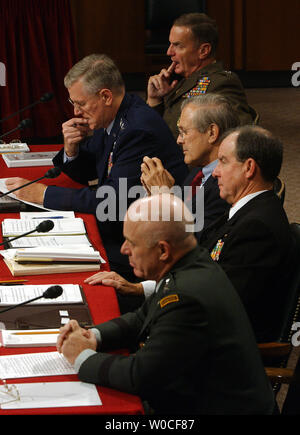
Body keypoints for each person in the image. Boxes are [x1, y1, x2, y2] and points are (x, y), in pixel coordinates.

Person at [57, 194, 276, 415]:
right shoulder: (192, 262)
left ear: (163, 250)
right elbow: (142, 317)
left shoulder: (186, 297)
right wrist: (93, 336)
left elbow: (141, 376)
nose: (124, 250)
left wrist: (82, 358)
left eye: (132, 243)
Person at [87, 125, 295, 344]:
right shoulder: (242, 210)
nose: (215, 172)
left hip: (212, 347)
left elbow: (219, 303)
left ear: (249, 168)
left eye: (223, 161)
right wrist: (139, 289)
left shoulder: (257, 227)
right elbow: (198, 267)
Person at [4, 54, 188, 281]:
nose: (76, 112)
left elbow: (111, 202)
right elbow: (92, 171)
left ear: (105, 96)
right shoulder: (115, 115)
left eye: (80, 104)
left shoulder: (137, 130)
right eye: (73, 104)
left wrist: (44, 194)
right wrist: (72, 150)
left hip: (138, 245)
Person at [147, 12, 256, 138]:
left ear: (203, 51)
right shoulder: (179, 83)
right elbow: (158, 127)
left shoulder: (221, 83)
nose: (169, 52)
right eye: (170, 44)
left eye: (177, 46)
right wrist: (155, 100)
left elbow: (241, 137)